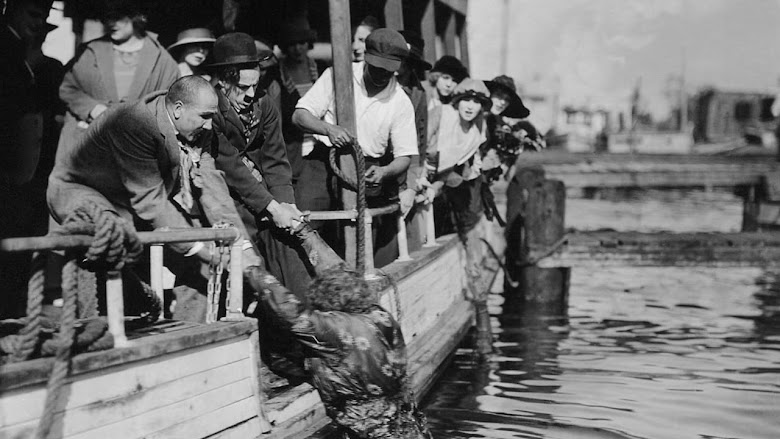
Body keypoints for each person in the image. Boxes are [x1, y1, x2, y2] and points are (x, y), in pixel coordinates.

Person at [47, 76, 267, 322]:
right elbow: (150, 201)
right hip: (82, 192)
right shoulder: (134, 122)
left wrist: (241, 249)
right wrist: (206, 252)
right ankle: (95, 338)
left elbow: (213, 191)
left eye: (211, 117)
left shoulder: (197, 125)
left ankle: (190, 340)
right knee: (110, 244)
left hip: (130, 202)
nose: (209, 125)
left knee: (203, 264)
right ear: (178, 109)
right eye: (205, 117)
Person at [252, 267, 432, 438]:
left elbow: (289, 309)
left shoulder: (339, 329)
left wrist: (250, 266)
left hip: (373, 430)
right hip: (406, 423)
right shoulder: (379, 316)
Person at [293, 28, 418, 267]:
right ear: (366, 58)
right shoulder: (337, 75)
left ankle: (355, 291)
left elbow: (404, 157)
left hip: (368, 169)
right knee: (304, 223)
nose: (381, 74)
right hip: (324, 161)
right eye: (376, 67)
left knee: (362, 234)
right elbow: (299, 116)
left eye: (388, 70)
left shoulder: (401, 102)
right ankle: (304, 288)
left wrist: (384, 172)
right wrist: (327, 129)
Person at [57, 0, 179, 159]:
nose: (111, 23)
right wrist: (92, 109)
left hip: (136, 148)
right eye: (107, 17)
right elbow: (68, 89)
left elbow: (168, 102)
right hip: (91, 143)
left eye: (118, 17)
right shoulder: (90, 51)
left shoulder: (162, 60)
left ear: (137, 16)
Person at [0, 0, 57, 319]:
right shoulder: (7, 50)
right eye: (34, 15)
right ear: (12, 9)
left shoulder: (16, 49)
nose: (39, 24)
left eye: (45, 18)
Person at [423, 78, 491, 237]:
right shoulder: (442, 113)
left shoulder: (474, 135)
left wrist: (435, 186)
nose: (470, 106)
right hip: (414, 173)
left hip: (436, 181)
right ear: (457, 101)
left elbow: (450, 169)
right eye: (466, 100)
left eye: (476, 102)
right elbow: (416, 146)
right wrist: (418, 177)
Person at [397, 30, 432, 252]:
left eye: (406, 62)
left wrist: (416, 174)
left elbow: (420, 137)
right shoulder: (380, 84)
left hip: (406, 162)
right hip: (381, 161)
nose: (401, 66)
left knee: (406, 210)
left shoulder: (418, 94)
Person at [278, 17, 319, 97]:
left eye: (302, 43)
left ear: (309, 44)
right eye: (292, 44)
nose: (297, 49)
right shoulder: (277, 73)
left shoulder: (320, 68)